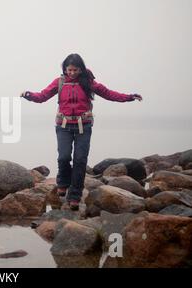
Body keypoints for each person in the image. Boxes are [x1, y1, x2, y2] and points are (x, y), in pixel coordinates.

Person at [20, 53, 142, 210]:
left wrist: (129, 97)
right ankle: (63, 183)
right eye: (68, 70)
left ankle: (75, 196)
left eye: (75, 70)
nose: (71, 73)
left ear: (81, 69)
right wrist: (29, 95)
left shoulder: (89, 83)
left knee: (80, 161)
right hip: (63, 126)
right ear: (64, 69)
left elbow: (109, 94)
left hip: (83, 127)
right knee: (63, 157)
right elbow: (42, 96)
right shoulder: (60, 82)